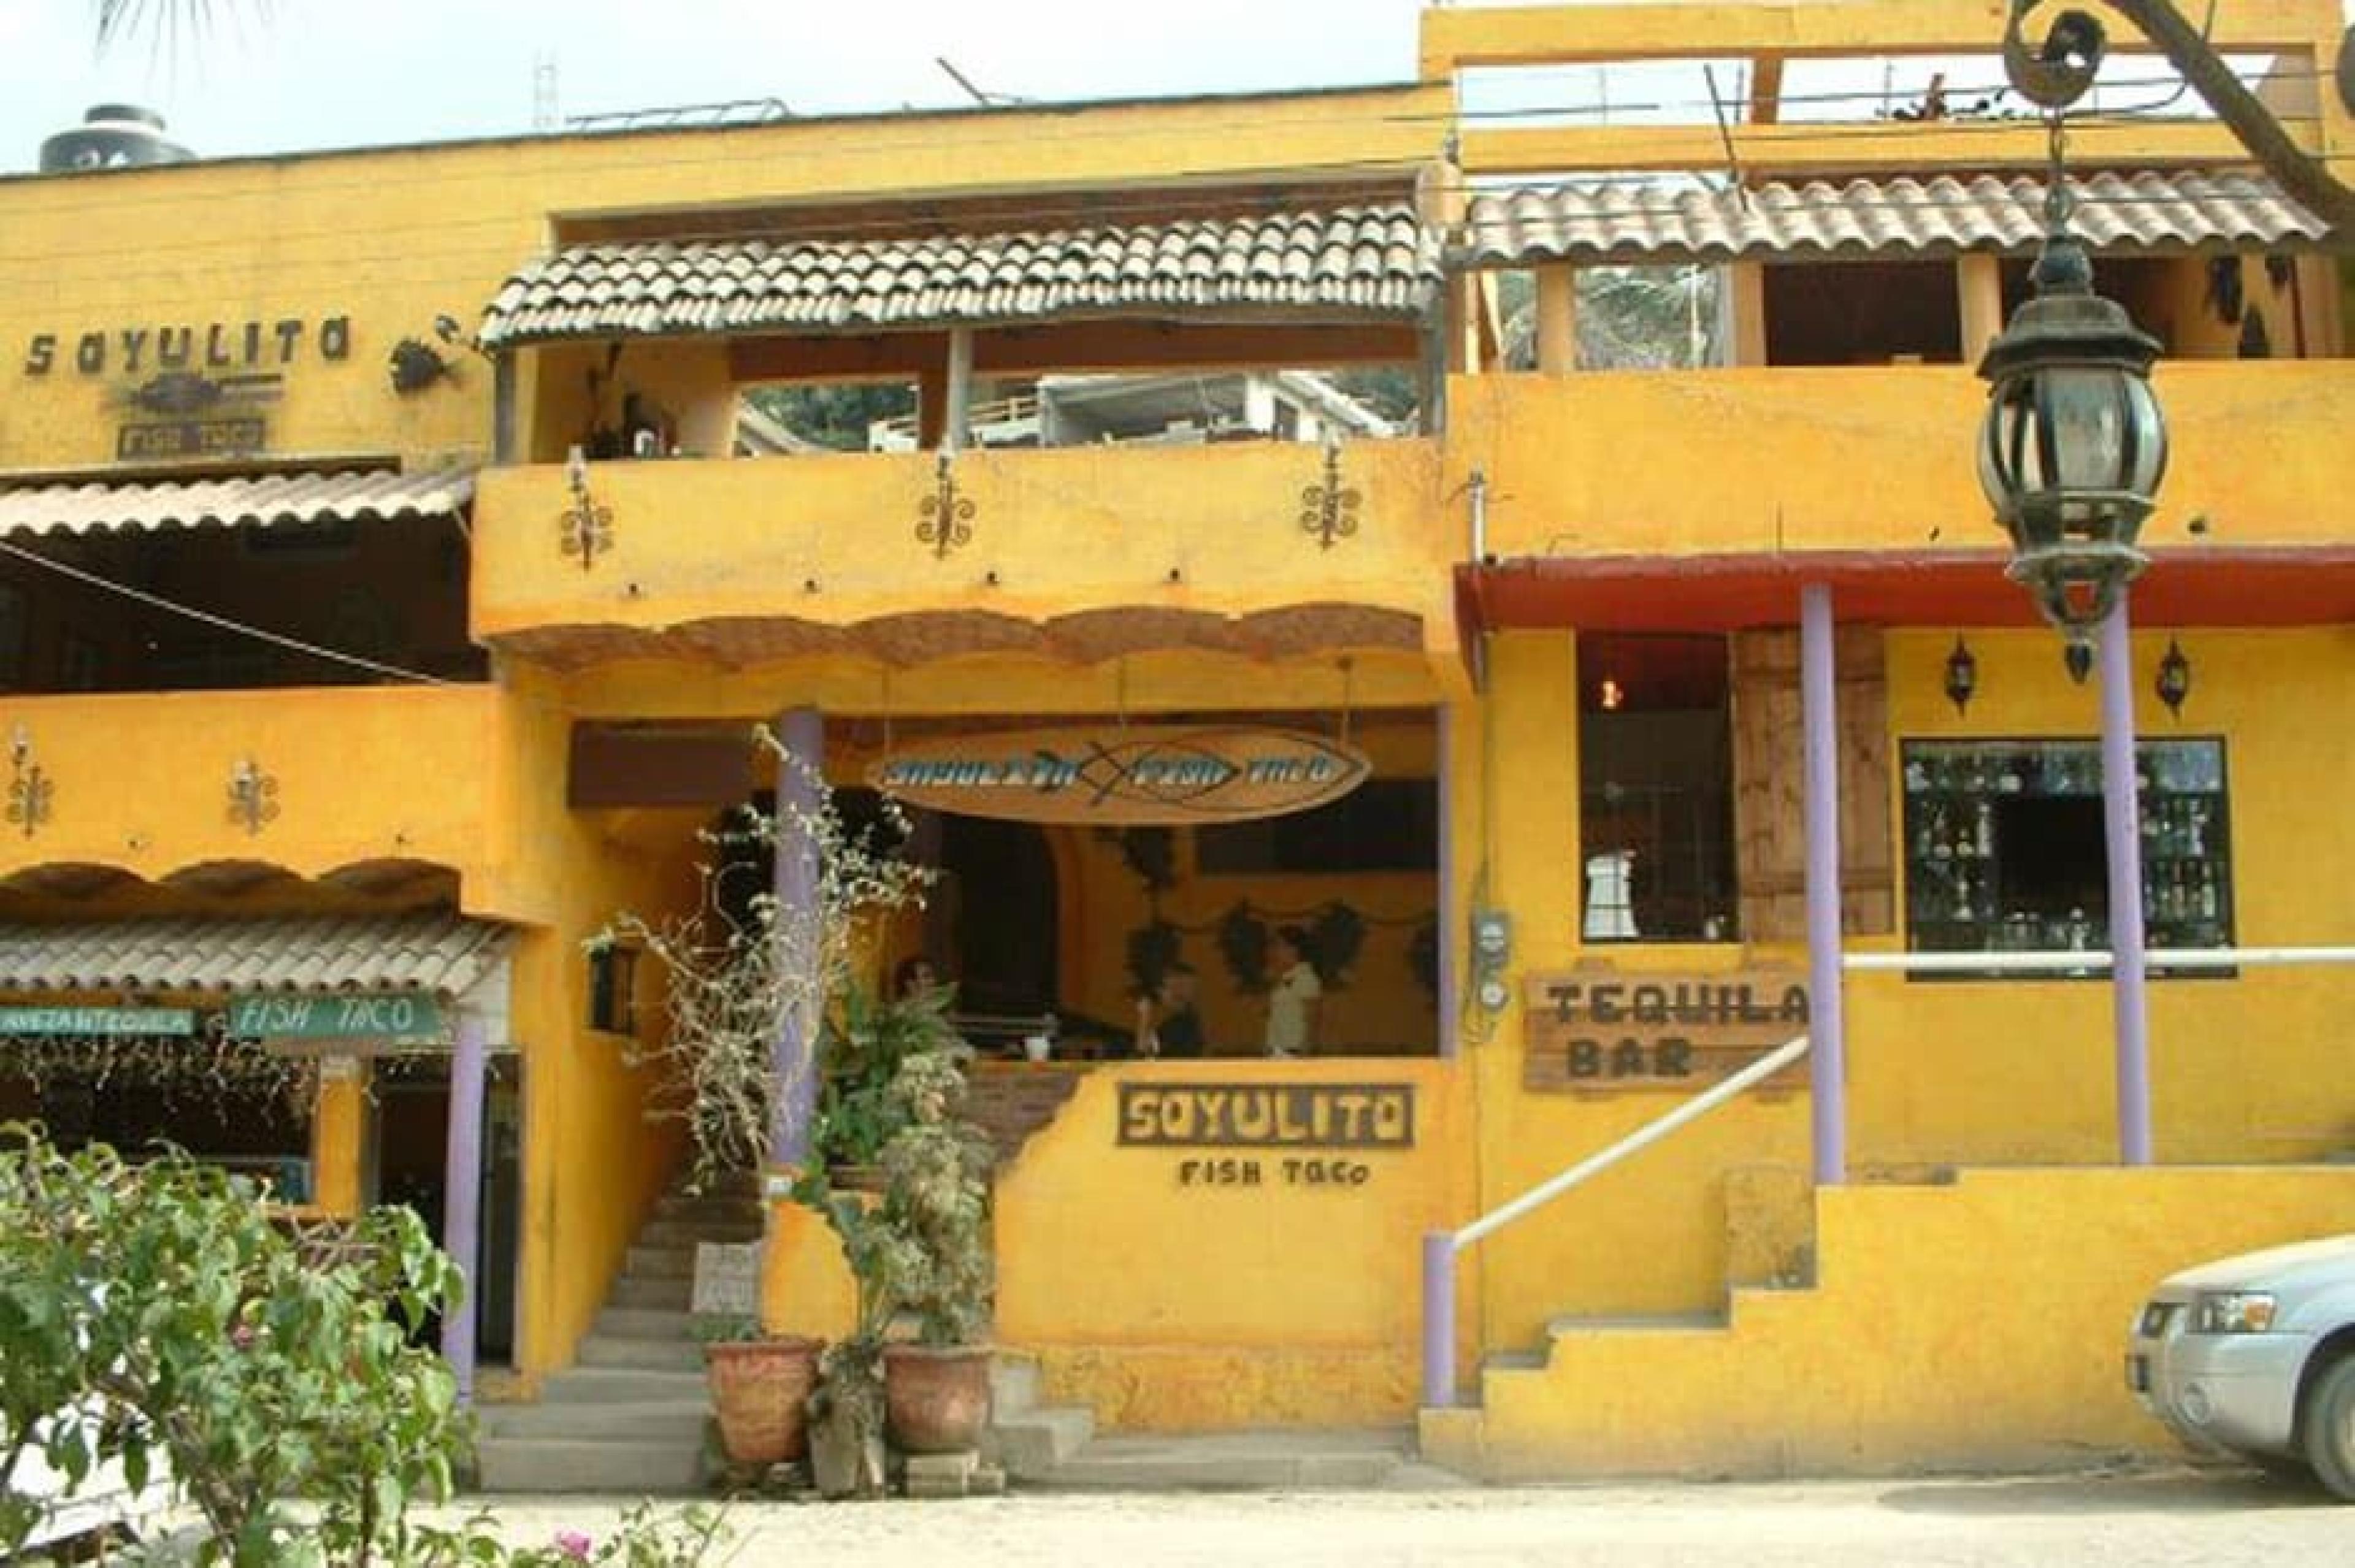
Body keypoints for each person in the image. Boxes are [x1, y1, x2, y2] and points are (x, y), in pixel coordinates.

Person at [1263, 927, 1322, 1058]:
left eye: (1278, 946)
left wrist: (1306, 1049)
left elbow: (1313, 1016)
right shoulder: (1282, 978)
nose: (1273, 952)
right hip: (1276, 1049)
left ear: (1293, 949)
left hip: (1294, 1050)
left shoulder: (1306, 977)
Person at [1133, 962, 1204, 1060]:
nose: (1186, 995)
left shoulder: (1184, 1025)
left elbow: (1142, 1055)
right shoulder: (1165, 1023)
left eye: (1189, 988)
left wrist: (1145, 1018)